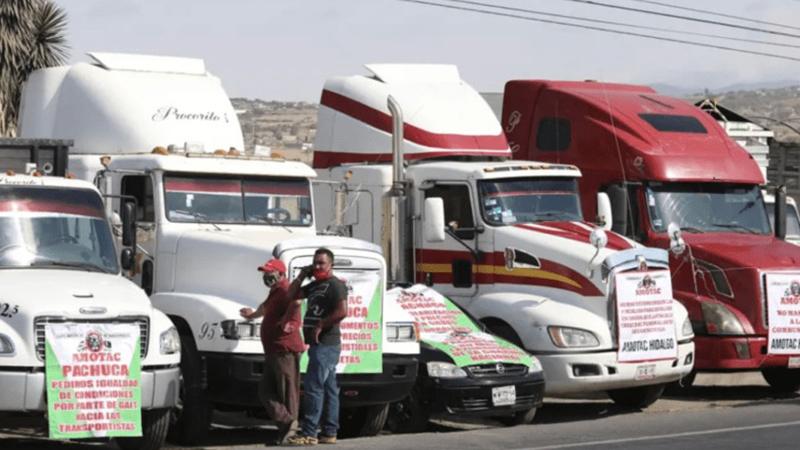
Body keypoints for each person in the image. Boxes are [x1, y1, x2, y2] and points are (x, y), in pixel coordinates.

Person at [286, 248, 348, 446]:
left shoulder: (335, 285)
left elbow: (342, 311)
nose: (318, 266)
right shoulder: (315, 285)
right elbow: (291, 294)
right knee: (329, 388)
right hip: (316, 344)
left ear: (331, 265)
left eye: (322, 263)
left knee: (314, 387)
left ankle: (309, 432)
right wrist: (303, 275)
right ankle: (329, 432)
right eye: (315, 263)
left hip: (326, 344)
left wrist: (321, 324)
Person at [240, 258, 304, 446]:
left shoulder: (286, 289)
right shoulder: (275, 291)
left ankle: (289, 431)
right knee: (266, 391)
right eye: (265, 274)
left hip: (284, 349)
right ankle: (287, 423)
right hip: (273, 350)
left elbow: (297, 303)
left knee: (286, 392)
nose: (267, 276)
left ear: (281, 274)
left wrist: (291, 323)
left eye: (270, 273)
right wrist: (251, 315)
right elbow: (265, 307)